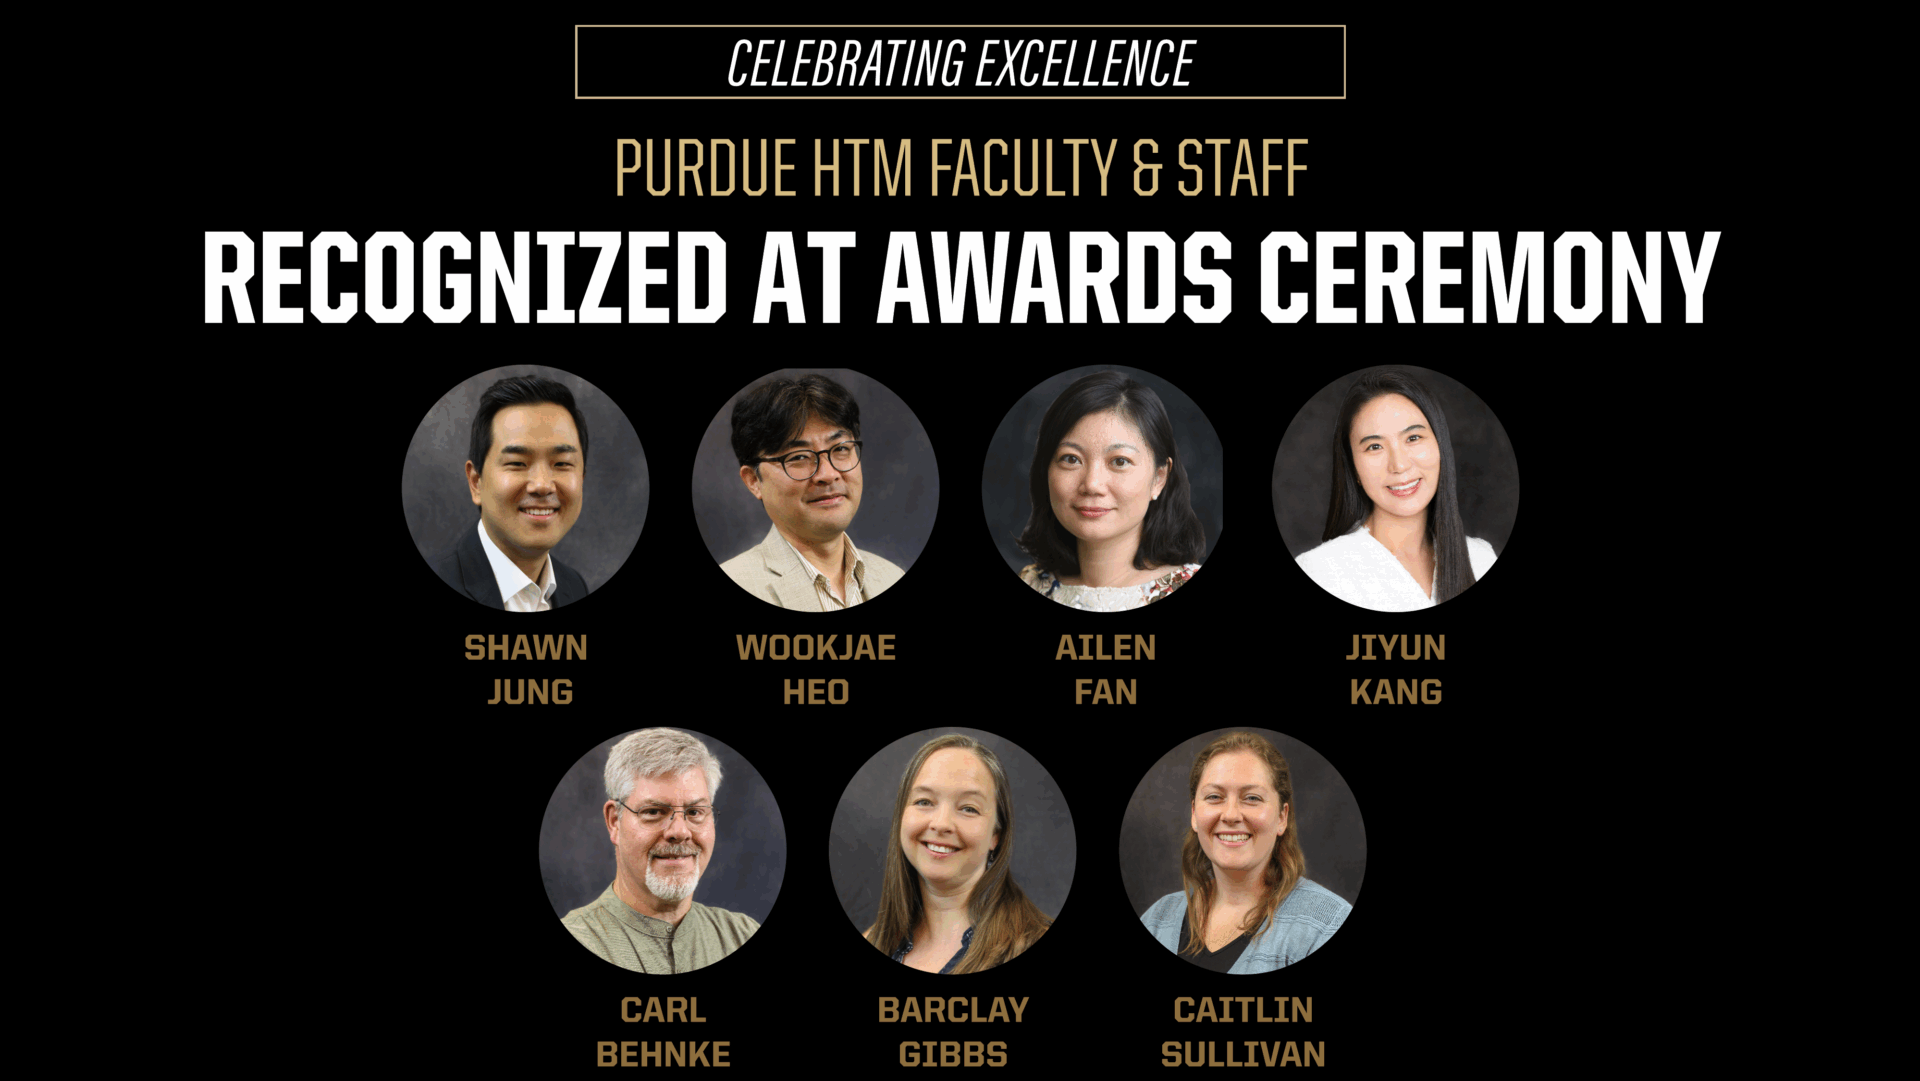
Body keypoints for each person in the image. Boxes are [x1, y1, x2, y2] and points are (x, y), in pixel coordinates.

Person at [1140, 732, 1351, 973]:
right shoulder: (1157, 919)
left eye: (1252, 798)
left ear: (1282, 817)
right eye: (1214, 797)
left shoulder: (1327, 926)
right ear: (1194, 814)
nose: (1230, 815)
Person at [1294, 368, 1498, 611]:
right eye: (1374, 446)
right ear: (1353, 468)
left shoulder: (1481, 559)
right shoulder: (1321, 571)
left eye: (1413, 438)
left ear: (1440, 445)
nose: (1399, 465)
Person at [561, 729, 760, 973]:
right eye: (654, 812)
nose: (679, 831)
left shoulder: (742, 935)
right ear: (614, 821)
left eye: (695, 812)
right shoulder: (579, 937)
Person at [1015, 371, 1206, 611]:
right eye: (1071, 459)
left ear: (1159, 479)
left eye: (1119, 461)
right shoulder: (1032, 582)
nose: (1092, 484)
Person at [864, 735, 1052, 974]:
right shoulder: (875, 940)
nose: (941, 824)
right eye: (924, 801)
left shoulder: (1032, 940)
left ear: (996, 835)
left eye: (968, 808)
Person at [721, 373, 905, 610]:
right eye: (798, 457)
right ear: (754, 480)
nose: (828, 474)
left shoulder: (891, 577)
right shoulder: (739, 581)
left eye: (840, 448)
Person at [432, 375, 591, 610]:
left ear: (582, 478)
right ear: (476, 482)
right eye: (517, 463)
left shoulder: (574, 587)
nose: (542, 485)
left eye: (561, 464)